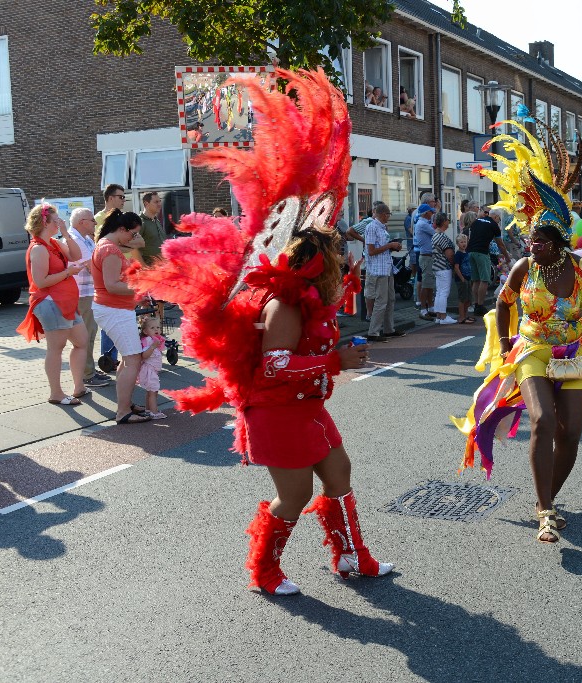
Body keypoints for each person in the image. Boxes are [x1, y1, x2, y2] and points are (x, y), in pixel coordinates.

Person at [132, 67, 393, 596]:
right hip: (276, 410)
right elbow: (275, 366)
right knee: (293, 495)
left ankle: (349, 556)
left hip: (306, 406)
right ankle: (265, 570)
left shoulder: (311, 300)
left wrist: (331, 363)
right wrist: (336, 362)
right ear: (316, 261)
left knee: (338, 474)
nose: (343, 259)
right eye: (336, 253)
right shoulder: (287, 308)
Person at [454, 119, 582, 544]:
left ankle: (547, 498)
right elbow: (503, 302)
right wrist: (505, 344)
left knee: (569, 434)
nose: (530, 244)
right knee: (543, 420)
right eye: (530, 239)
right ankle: (546, 511)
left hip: (574, 353)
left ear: (558, 241)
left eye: (538, 240)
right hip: (533, 348)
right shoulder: (524, 268)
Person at [16, 203, 88, 406]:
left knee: (81, 341)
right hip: (50, 302)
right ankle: (56, 393)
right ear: (46, 222)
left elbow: (76, 255)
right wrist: (68, 273)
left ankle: (78, 386)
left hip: (65, 301)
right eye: (56, 221)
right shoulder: (38, 248)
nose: (59, 223)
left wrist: (65, 232)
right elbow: (41, 282)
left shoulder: (54, 244)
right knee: (56, 348)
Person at [92, 209, 150, 424]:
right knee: (132, 358)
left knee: (129, 359)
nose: (133, 239)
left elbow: (112, 285)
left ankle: (125, 404)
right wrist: (141, 287)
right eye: (132, 234)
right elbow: (112, 285)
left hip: (116, 309)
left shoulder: (108, 246)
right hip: (114, 310)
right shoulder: (109, 250)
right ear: (122, 229)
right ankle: (123, 411)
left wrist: (136, 295)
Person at [67, 208, 112, 388]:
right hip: (82, 294)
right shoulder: (76, 239)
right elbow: (93, 265)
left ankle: (89, 370)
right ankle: (87, 374)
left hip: (88, 293)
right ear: (82, 222)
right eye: (92, 220)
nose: (95, 223)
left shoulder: (84, 238)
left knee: (89, 333)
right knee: (86, 334)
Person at [95, 184, 128, 373]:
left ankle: (120, 358)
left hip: (124, 272)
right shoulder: (100, 219)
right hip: (110, 276)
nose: (123, 200)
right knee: (111, 320)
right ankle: (109, 360)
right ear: (109, 198)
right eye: (120, 197)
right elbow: (102, 244)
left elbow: (140, 241)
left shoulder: (122, 218)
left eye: (124, 197)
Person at [363, 202, 405, 342]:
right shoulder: (371, 227)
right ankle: (373, 332)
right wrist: (390, 245)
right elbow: (371, 251)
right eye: (388, 214)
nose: (389, 217)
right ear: (382, 214)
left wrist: (393, 247)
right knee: (381, 301)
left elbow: (380, 248)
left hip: (387, 268)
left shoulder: (382, 228)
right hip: (377, 270)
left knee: (390, 300)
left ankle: (389, 329)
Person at [466, 209, 507, 316]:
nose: (499, 221)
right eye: (499, 219)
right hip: (482, 252)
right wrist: (507, 256)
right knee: (484, 280)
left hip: (471, 251)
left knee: (476, 280)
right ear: (496, 217)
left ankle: (476, 304)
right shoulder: (494, 225)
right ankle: (480, 305)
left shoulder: (477, 221)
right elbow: (500, 244)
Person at [136, 316, 167, 419]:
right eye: (152, 328)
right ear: (145, 331)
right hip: (149, 369)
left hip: (152, 370)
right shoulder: (148, 341)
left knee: (151, 391)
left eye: (158, 327)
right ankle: (154, 412)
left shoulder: (153, 340)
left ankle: (148, 410)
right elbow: (144, 355)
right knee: (153, 392)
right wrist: (153, 346)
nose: (156, 330)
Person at [430, 212, 457, 324]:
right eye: (447, 220)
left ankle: (439, 316)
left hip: (437, 266)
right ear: (444, 222)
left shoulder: (435, 235)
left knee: (439, 291)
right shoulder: (442, 237)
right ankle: (443, 316)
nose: (448, 222)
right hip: (444, 266)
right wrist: (454, 265)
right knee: (444, 292)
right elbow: (449, 254)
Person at [414, 203, 437, 319]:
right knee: (426, 284)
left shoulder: (423, 223)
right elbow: (436, 233)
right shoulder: (423, 224)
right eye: (431, 212)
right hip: (426, 256)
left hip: (428, 256)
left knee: (429, 284)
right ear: (426, 213)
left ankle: (431, 307)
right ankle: (423, 309)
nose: (432, 213)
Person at [453, 233, 475, 324]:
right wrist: (462, 278)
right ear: (458, 244)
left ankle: (465, 316)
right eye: (461, 242)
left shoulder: (467, 253)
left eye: (465, 242)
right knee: (462, 298)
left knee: (468, 299)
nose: (463, 244)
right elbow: (456, 267)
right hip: (462, 279)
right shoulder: (458, 254)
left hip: (468, 278)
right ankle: (461, 317)